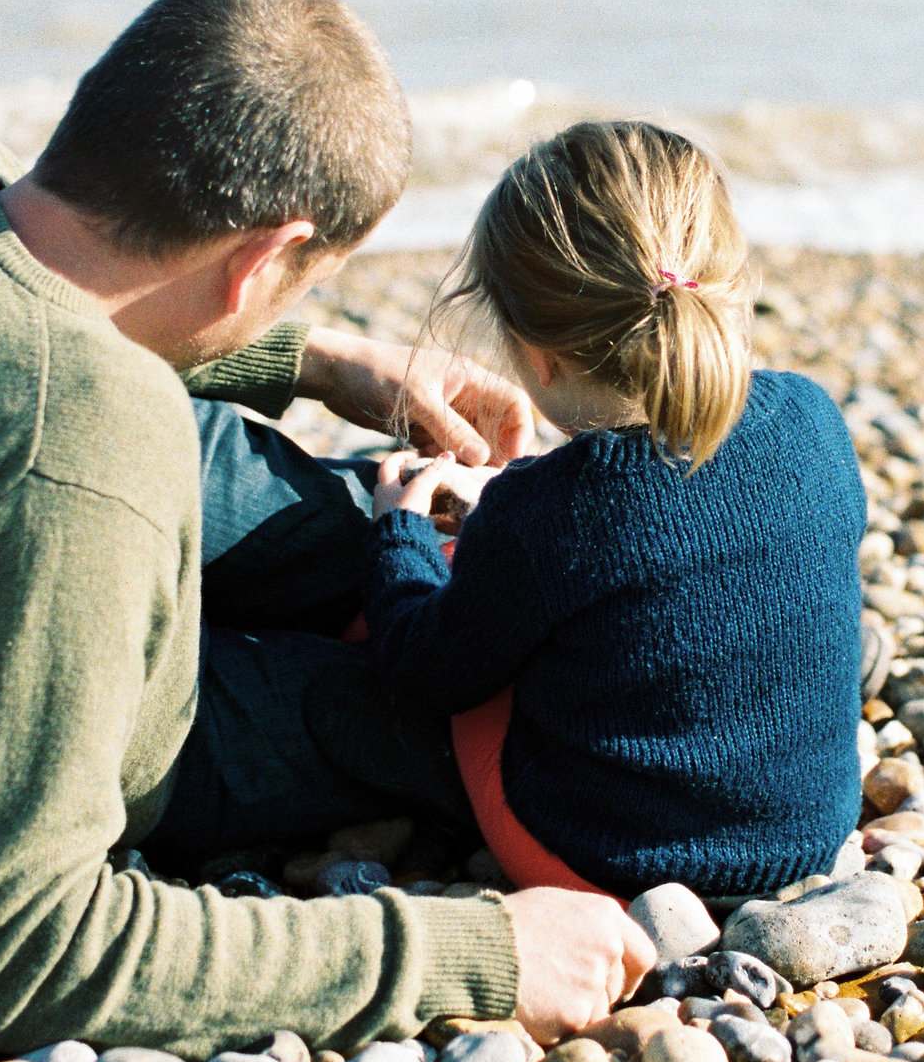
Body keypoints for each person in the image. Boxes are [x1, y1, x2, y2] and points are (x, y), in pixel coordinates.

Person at [0, 0, 652, 1058]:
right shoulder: (80, 456)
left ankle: (432, 542)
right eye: (301, 286)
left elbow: (36, 292)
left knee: (366, 521)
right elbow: (6, 955)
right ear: (260, 259)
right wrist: (465, 957)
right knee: (389, 701)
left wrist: (318, 358)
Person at [363, 120, 866, 900]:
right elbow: (689, 537)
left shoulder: (549, 512)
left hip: (606, 857)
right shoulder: (812, 416)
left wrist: (399, 531)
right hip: (809, 830)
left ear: (539, 356)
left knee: (456, 613)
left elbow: (428, 672)